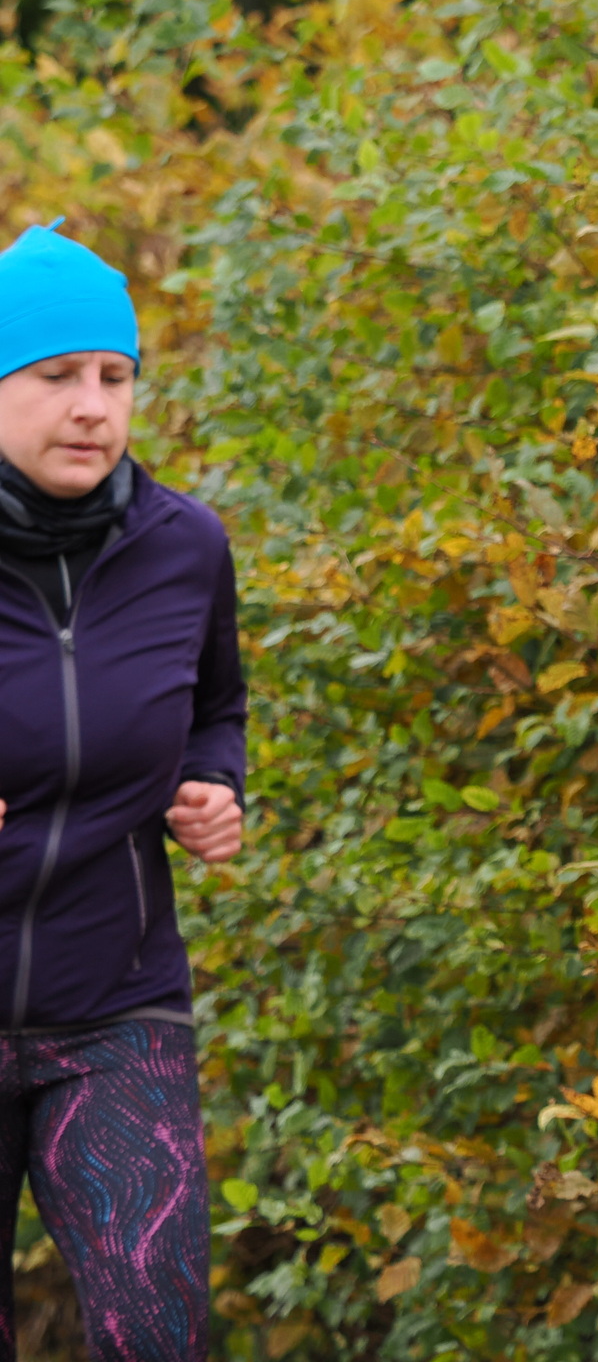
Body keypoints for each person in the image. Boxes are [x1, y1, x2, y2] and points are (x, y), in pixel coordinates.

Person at [0, 222, 246, 1361]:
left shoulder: (184, 546)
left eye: (115, 376)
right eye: (55, 375)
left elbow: (215, 703)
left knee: (158, 1336)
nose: (92, 406)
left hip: (115, 1003)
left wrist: (212, 782)